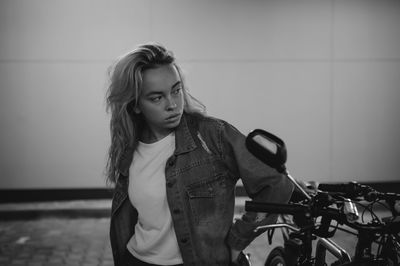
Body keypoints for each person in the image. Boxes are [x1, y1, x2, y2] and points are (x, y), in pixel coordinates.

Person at [105, 42, 294, 266]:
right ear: (135, 105)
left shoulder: (212, 136)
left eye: (176, 90)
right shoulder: (129, 147)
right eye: (157, 98)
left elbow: (277, 185)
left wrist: (237, 240)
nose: (173, 104)